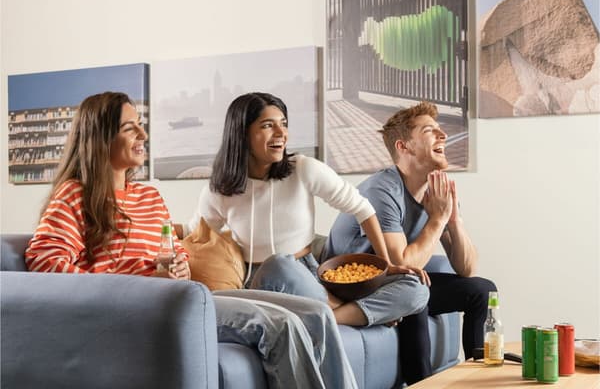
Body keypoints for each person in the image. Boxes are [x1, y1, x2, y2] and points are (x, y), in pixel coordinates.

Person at [24, 91, 356, 389]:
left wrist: (177, 267)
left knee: (315, 312)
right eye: (130, 128)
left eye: (140, 125)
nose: (143, 134)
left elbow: (167, 255)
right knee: (279, 325)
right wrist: (134, 285)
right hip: (140, 308)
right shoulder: (73, 195)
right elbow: (45, 264)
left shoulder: (149, 197)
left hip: (180, 296)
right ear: (101, 137)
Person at [183, 92, 430, 330]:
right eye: (268, 125)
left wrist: (386, 263)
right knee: (279, 263)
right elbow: (196, 235)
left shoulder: (302, 169)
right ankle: (352, 312)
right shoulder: (221, 189)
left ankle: (332, 315)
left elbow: (362, 208)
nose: (281, 133)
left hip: (309, 271)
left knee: (415, 288)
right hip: (261, 280)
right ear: (242, 133)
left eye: (284, 124)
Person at [324, 101, 498, 371]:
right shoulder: (382, 190)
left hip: (392, 281)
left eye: (440, 130)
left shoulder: (435, 190)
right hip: (351, 286)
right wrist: (438, 219)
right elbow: (401, 263)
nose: (443, 135)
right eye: (430, 131)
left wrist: (453, 219)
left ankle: (476, 378)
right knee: (415, 288)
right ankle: (421, 383)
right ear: (403, 147)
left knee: (482, 290)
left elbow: (467, 268)